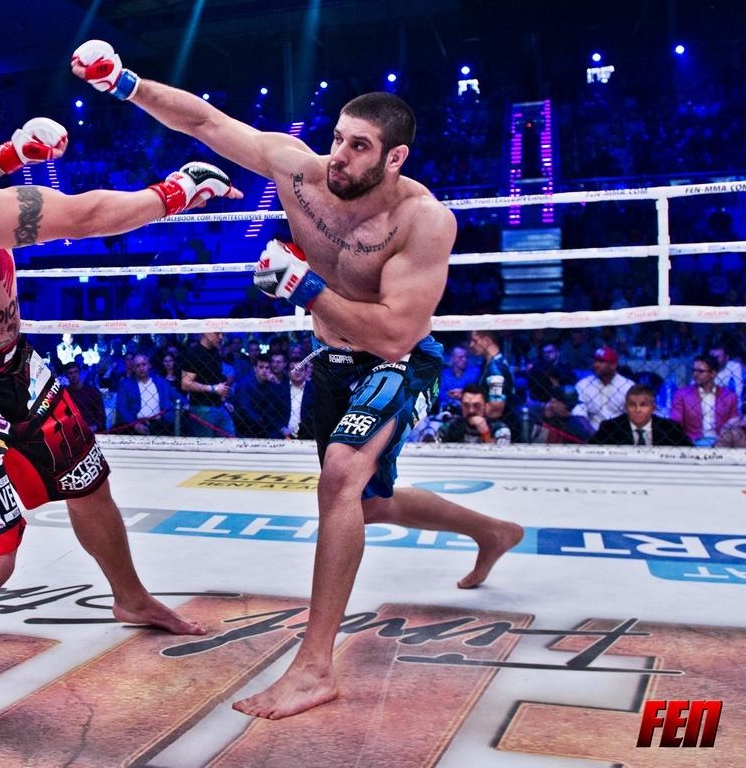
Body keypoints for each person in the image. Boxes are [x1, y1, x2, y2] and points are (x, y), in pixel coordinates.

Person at [74, 41, 523, 719]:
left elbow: (394, 334)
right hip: (331, 362)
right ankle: (491, 531)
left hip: (399, 363)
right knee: (368, 503)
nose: (338, 156)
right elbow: (206, 122)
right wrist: (126, 83)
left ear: (395, 157)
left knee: (341, 478)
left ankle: (315, 667)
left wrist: (305, 286)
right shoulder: (301, 173)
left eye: (359, 147)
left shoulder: (424, 221)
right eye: (338, 138)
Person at [0, 33, 238, 743]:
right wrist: (175, 192)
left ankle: (130, 597)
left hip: (13, 364)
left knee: (88, 479)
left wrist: (11, 155)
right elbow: (83, 217)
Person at [669, 353, 740, 446]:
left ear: (713, 373)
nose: (695, 374)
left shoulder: (729, 396)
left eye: (700, 371)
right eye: (694, 370)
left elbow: (734, 425)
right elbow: (675, 423)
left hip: (721, 443)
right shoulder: (682, 394)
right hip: (692, 442)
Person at [590, 383, 692, 446]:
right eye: (632, 405)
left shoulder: (671, 429)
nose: (637, 410)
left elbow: (690, 453)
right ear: (625, 407)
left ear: (653, 407)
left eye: (643, 405)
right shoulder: (609, 428)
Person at [181, 331, 235, 437]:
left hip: (219, 406)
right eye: (217, 333)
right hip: (202, 407)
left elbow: (215, 379)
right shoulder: (194, 354)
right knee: (207, 444)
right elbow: (185, 384)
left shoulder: (215, 352)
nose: (221, 337)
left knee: (230, 439)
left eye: (222, 334)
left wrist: (224, 400)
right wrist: (213, 389)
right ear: (206, 332)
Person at [115, 353, 179, 434]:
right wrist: (134, 424)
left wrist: (186, 405)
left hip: (159, 423)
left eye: (144, 364)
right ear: (133, 368)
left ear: (149, 365)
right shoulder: (125, 384)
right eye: (137, 366)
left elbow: (177, 396)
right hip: (135, 422)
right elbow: (121, 407)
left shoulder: (161, 382)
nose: (141, 368)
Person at [575, 347, 634, 430]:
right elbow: (579, 415)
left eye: (601, 361)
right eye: (595, 361)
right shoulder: (583, 384)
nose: (596, 365)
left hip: (620, 432)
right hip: (590, 432)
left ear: (613, 365)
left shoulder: (628, 386)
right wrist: (594, 435)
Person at [437, 384, 512, 445]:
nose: (471, 410)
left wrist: (486, 433)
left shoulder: (499, 429)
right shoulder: (450, 426)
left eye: (477, 406)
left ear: (486, 406)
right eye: (466, 405)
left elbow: (501, 455)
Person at [62, 361, 106, 432]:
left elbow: (101, 415)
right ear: (66, 376)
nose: (73, 375)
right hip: (73, 430)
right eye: (70, 373)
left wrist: (94, 427)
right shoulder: (65, 393)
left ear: (80, 373)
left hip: (91, 429)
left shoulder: (92, 391)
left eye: (76, 372)